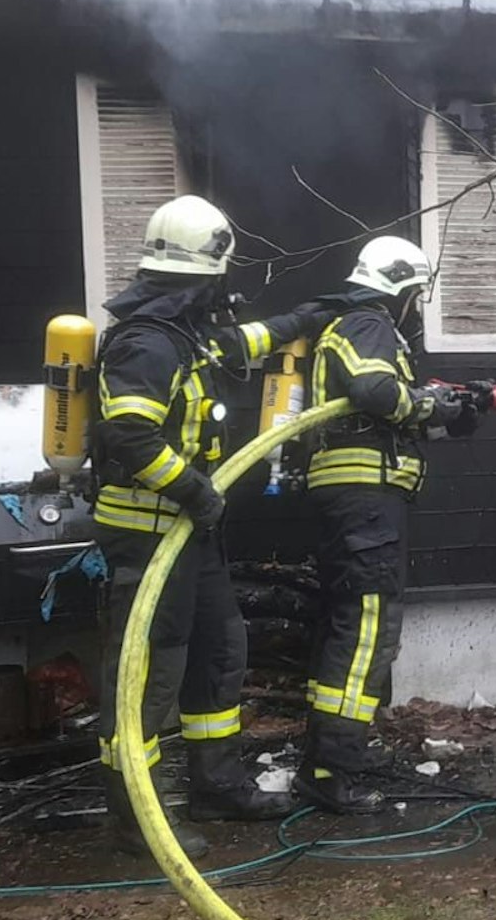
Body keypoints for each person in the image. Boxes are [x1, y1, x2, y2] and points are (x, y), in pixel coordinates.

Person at [91, 194, 330, 857]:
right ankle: (137, 812)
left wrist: (299, 321)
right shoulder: (145, 343)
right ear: (208, 272)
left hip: (191, 538)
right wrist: (198, 491)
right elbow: (131, 436)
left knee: (220, 654)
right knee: (146, 677)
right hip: (149, 536)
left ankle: (215, 784)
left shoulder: (186, 334)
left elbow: (237, 345)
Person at [295, 236, 496, 814]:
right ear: (402, 287)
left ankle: (329, 758)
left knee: (347, 629)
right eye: (415, 293)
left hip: (356, 502)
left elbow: (383, 414)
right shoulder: (367, 322)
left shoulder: (354, 328)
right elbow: (376, 391)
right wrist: (434, 406)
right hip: (363, 504)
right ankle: (331, 770)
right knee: (365, 635)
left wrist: (455, 410)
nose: (416, 305)